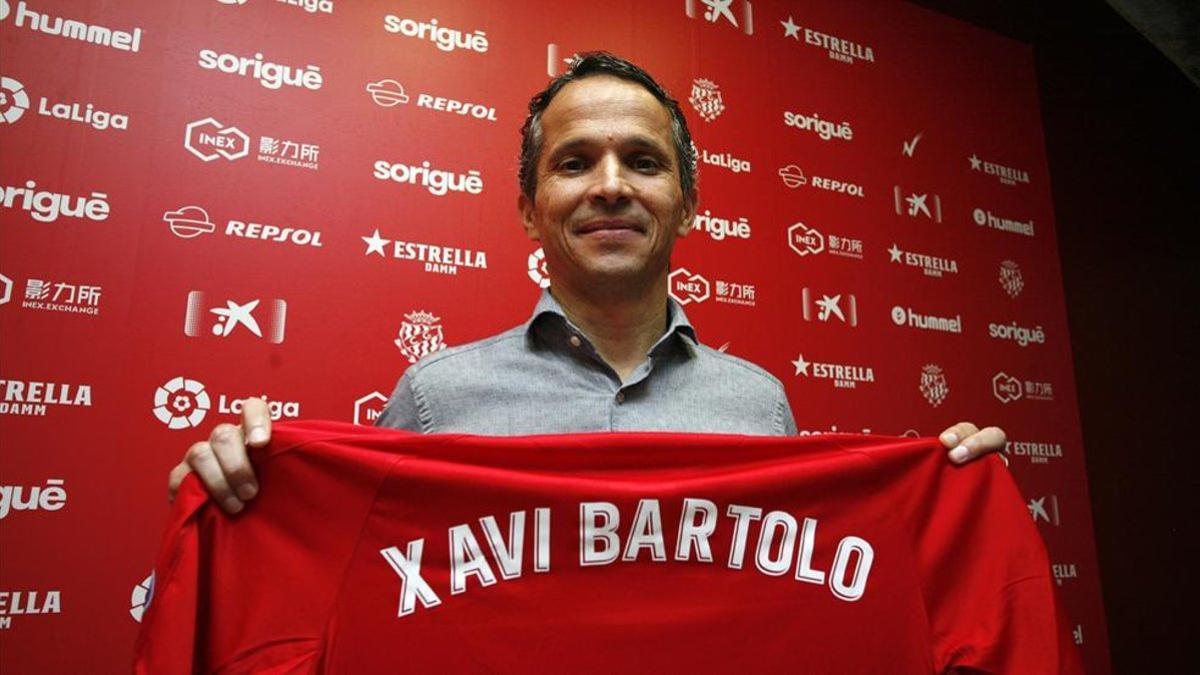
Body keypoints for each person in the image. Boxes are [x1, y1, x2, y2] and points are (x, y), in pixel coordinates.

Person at [168, 53, 1006, 514]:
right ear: (531, 210)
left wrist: (950, 502)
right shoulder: (434, 399)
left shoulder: (761, 408)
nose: (611, 185)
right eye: (574, 163)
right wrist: (242, 501)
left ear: (688, 203)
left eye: (643, 162)